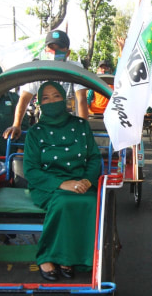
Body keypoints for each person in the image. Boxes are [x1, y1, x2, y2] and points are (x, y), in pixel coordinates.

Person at [23, 82, 101, 281]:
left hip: (81, 182)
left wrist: (87, 180)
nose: (51, 101)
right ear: (39, 103)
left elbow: (93, 158)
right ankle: (47, 256)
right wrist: (61, 184)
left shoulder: (81, 125)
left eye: (56, 96)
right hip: (47, 185)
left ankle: (71, 257)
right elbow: (31, 169)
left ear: (64, 99)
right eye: (45, 98)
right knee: (64, 201)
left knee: (92, 202)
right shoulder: (35, 132)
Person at [3, 30, 88, 140]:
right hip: (45, 126)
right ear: (45, 50)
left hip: (70, 126)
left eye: (59, 48)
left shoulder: (75, 69)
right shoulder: (38, 69)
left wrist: (83, 130)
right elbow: (24, 98)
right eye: (51, 48)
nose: (54, 52)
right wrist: (16, 124)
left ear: (67, 53)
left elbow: (81, 99)